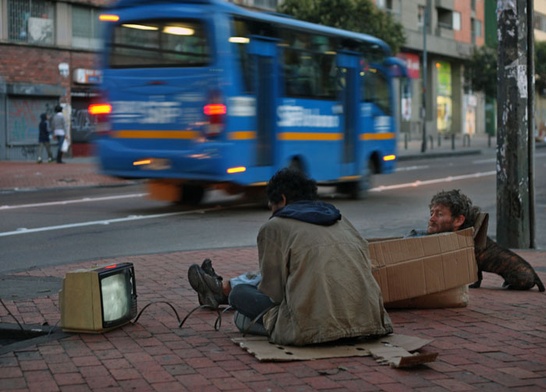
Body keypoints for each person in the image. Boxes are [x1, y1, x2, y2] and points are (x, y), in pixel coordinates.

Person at [189, 168, 393, 346]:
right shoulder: (342, 221)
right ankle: (220, 289)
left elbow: (273, 293)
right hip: (370, 322)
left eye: (272, 206)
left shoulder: (275, 227)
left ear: (283, 200)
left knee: (239, 299)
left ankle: (222, 291)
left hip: (313, 330)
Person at [189, 188, 479, 310]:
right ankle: (221, 287)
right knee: (285, 268)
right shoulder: (426, 237)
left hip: (366, 274)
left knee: (293, 272)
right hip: (367, 264)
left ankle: (223, 290)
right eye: (431, 211)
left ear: (458, 220)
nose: (432, 218)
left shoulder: (439, 246)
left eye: (439, 214)